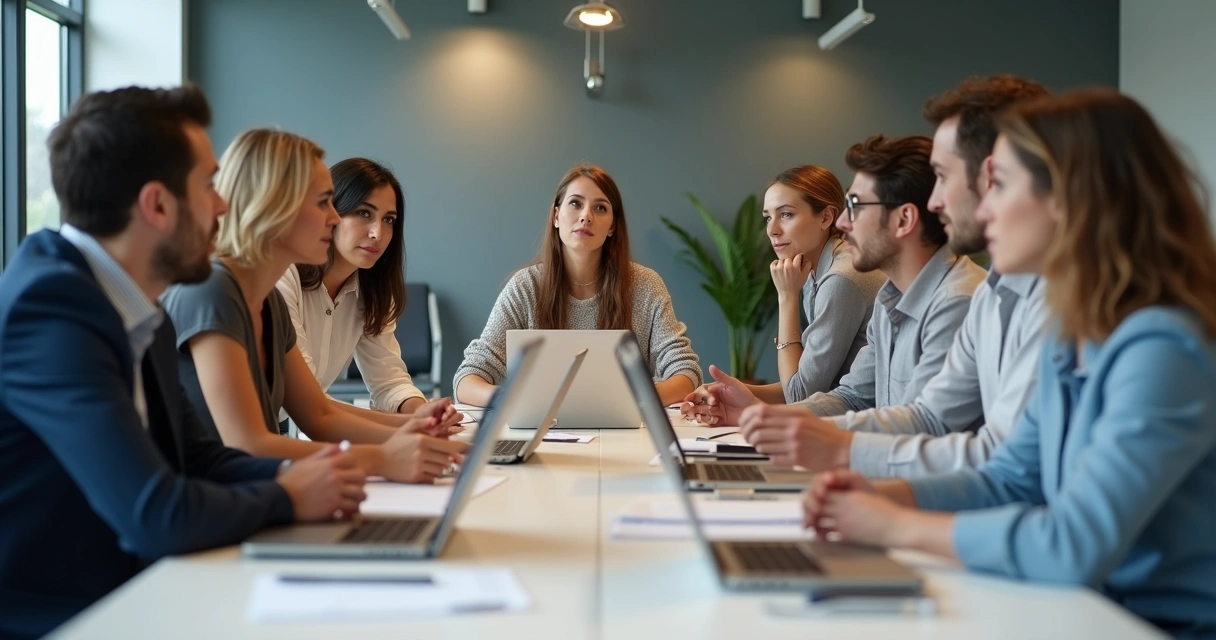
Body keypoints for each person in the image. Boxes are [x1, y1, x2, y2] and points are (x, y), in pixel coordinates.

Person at [803, 89, 1216, 639]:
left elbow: (1072, 545)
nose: (984, 208)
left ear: (1069, 197)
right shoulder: (1074, 332)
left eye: (999, 185)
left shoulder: (1163, 348)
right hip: (1081, 610)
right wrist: (877, 496)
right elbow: (1010, 477)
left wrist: (893, 524)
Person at [0, 85, 366, 640]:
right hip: (64, 617)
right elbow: (155, 514)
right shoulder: (51, 310)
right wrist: (289, 495)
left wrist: (312, 475)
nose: (222, 206)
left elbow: (200, 459)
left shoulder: (137, 304)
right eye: (208, 185)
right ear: (157, 205)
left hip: (138, 589)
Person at [733, 75, 1052, 476]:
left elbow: (940, 437)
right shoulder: (903, 298)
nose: (937, 201)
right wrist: (769, 418)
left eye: (945, 177)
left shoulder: (965, 299)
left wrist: (827, 448)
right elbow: (861, 398)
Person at [162, 129, 467, 485]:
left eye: (388, 220)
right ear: (275, 205)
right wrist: (383, 457)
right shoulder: (213, 288)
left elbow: (319, 416)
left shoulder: (268, 302)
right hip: (208, 499)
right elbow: (248, 446)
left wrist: (418, 434)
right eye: (323, 203)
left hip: (246, 491)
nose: (335, 218)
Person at [682, 135, 986, 448]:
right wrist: (757, 414)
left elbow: (926, 428)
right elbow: (853, 397)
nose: (843, 221)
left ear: (904, 219)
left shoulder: (956, 303)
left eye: (855, 206)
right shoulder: (890, 299)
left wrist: (798, 433)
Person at [454, 163, 702, 406]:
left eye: (600, 208)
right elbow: (468, 377)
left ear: (612, 226)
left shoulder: (645, 285)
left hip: (626, 428)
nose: (586, 216)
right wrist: (510, 400)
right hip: (542, 428)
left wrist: (637, 399)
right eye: (575, 203)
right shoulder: (525, 287)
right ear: (556, 216)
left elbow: (685, 370)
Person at [690, 166, 884, 406]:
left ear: (826, 217)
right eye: (768, 217)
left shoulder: (841, 278)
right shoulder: (814, 270)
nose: (772, 230)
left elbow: (800, 395)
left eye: (786, 214)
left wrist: (787, 296)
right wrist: (727, 392)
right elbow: (806, 386)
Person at [276, 158, 428, 417]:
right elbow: (306, 398)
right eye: (364, 213)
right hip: (252, 428)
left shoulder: (374, 293)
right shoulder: (284, 275)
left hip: (294, 424)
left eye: (388, 219)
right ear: (330, 213)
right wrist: (406, 426)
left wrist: (424, 412)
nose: (378, 233)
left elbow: (389, 381)